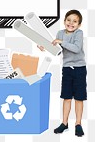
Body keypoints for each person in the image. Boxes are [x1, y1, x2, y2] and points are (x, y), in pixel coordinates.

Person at [38, 9, 87, 137]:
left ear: (79, 24)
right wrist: (44, 47)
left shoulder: (79, 33)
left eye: (75, 21)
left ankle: (78, 124)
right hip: (66, 69)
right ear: (64, 21)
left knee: (79, 97)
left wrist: (61, 42)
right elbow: (55, 48)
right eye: (68, 20)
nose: (71, 23)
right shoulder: (60, 33)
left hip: (79, 69)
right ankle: (64, 123)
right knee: (66, 97)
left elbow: (76, 49)